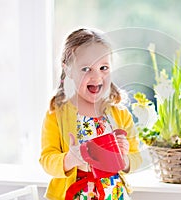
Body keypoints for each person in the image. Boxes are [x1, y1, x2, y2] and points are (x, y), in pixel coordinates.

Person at [39, 28, 142, 200]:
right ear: (69, 70)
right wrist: (69, 160)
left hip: (114, 194)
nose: (97, 76)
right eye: (86, 68)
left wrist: (124, 159)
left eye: (103, 68)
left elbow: (137, 157)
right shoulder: (56, 115)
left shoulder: (120, 113)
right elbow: (46, 159)